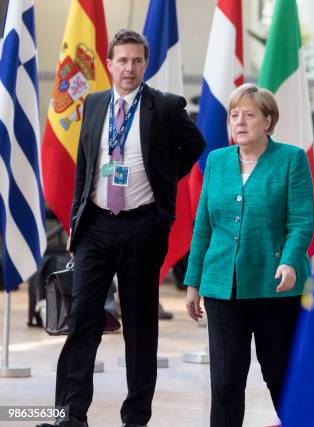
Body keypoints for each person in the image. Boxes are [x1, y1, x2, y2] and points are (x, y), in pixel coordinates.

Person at [38, 29, 205, 427]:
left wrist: (162, 180)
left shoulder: (165, 107)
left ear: (145, 65)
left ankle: (135, 418)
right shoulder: (94, 104)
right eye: (122, 60)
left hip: (142, 228)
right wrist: (77, 229)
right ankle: (70, 415)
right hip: (96, 227)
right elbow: (84, 168)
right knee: (82, 320)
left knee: (139, 324)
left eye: (137, 61)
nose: (129, 68)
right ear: (109, 64)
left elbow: (195, 146)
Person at [184, 83, 314, 427]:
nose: (239, 122)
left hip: (276, 286)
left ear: (268, 121)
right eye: (233, 115)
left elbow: (301, 221)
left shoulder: (291, 158)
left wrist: (289, 261)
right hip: (222, 287)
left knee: (280, 374)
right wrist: (193, 281)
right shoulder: (216, 160)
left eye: (249, 115)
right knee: (225, 382)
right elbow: (203, 226)